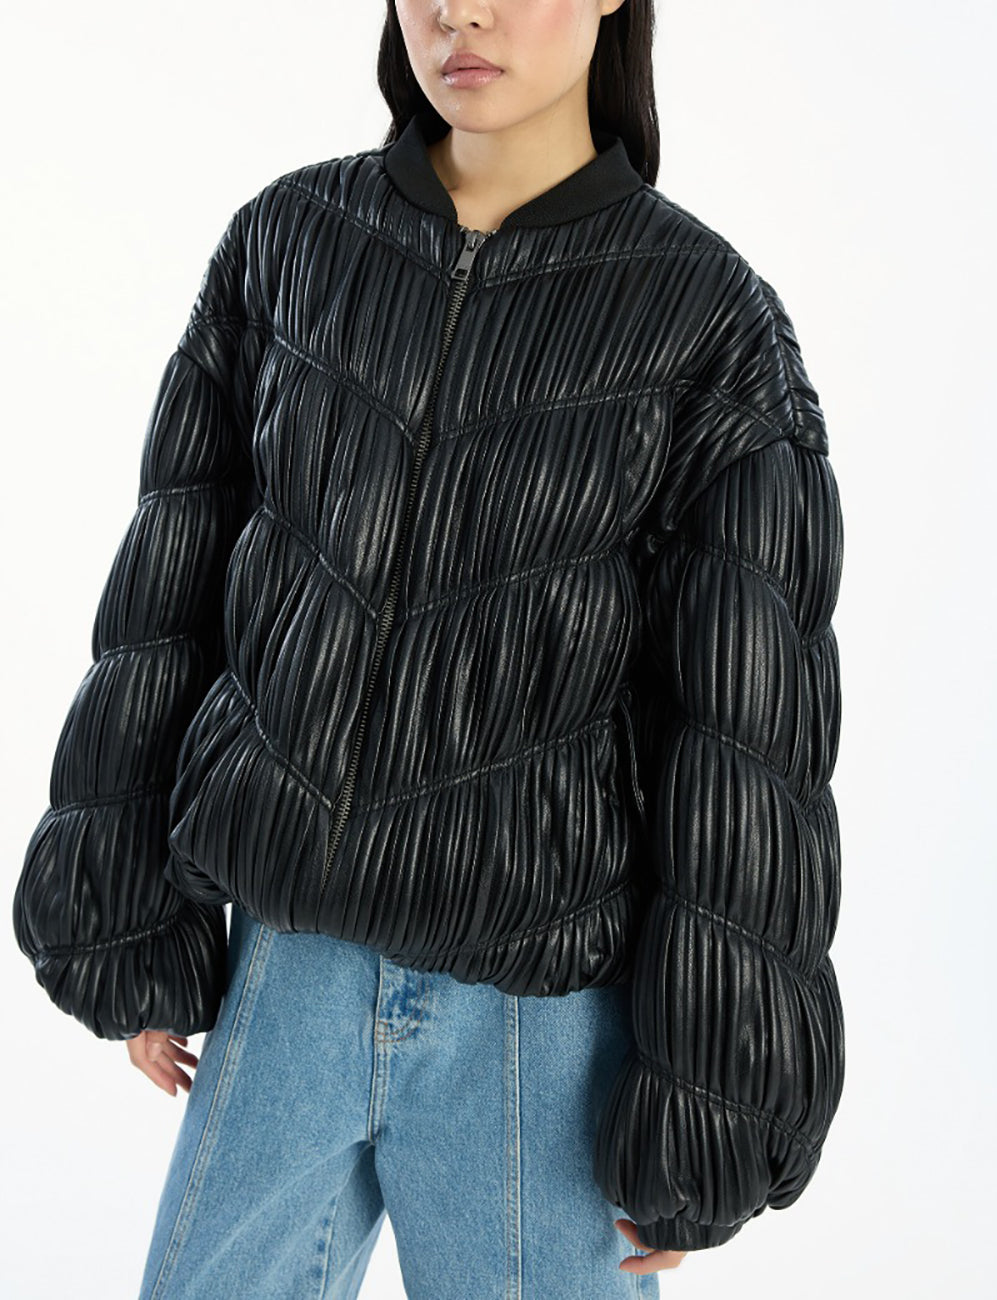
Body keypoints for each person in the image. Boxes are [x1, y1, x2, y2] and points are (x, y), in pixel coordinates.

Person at [12, 1, 846, 1295]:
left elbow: (746, 744)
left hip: (538, 1027)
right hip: (287, 974)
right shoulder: (292, 244)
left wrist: (710, 1109)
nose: (461, 10)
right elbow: (169, 591)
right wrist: (125, 917)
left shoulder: (706, 324)